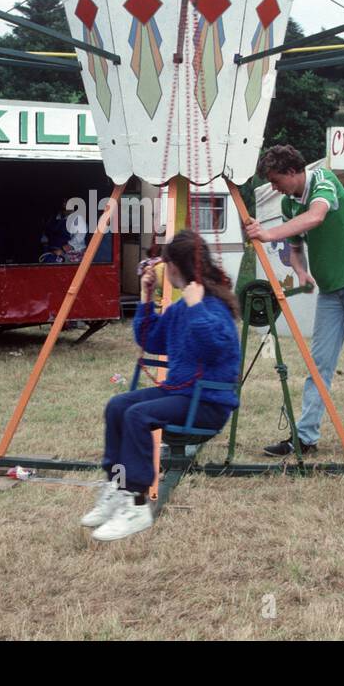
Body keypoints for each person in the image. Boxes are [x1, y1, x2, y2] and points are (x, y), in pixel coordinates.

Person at [82, 230, 241, 542]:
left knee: (137, 416)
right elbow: (150, 340)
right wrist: (146, 297)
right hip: (181, 393)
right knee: (118, 406)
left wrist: (196, 308)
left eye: (164, 266)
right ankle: (117, 486)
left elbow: (214, 349)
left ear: (174, 267)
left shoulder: (212, 307)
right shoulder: (183, 307)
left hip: (207, 404)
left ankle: (137, 504)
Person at [245, 146, 344, 460]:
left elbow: (317, 215)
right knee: (317, 363)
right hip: (330, 291)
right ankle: (305, 437)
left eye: (275, 179)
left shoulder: (324, 180)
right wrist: (300, 271)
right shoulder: (286, 203)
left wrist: (267, 234)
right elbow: (295, 247)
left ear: (292, 171)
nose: (273, 186)